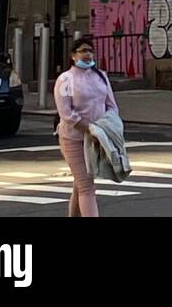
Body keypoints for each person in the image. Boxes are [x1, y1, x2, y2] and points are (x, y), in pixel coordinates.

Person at [53, 35, 120, 218]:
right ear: (73, 56)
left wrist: (109, 127)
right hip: (73, 139)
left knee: (80, 184)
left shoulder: (101, 77)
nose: (88, 54)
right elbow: (66, 113)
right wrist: (88, 128)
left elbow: (111, 105)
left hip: (97, 137)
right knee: (87, 186)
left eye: (90, 51)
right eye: (83, 51)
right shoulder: (65, 79)